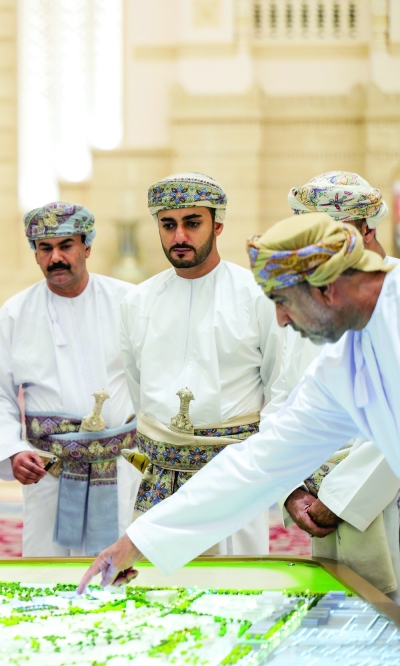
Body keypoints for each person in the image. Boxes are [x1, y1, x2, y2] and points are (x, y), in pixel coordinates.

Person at [79, 212, 398, 591]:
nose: (280, 320)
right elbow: (263, 462)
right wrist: (138, 541)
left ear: (324, 289)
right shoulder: (342, 363)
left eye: (282, 301)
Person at [119, 172, 281, 556]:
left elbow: (279, 389)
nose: (179, 237)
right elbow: (137, 389)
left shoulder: (258, 297)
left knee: (236, 594)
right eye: (168, 225)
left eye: (192, 223)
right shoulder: (138, 302)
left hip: (235, 478)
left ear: (218, 224)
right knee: (159, 598)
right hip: (160, 479)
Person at [0, 202, 140, 557]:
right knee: (47, 568)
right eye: (45, 248)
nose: (56, 258)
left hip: (121, 465)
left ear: (87, 247)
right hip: (50, 468)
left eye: (66, 246)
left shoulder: (129, 302)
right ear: (35, 254)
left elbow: (157, 376)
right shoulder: (16, 314)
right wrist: (13, 449)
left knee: (120, 567)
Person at [267, 172, 400, 601]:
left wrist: (339, 498)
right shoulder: (303, 298)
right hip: (309, 502)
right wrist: (289, 488)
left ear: (366, 231)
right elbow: (282, 398)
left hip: (383, 503)